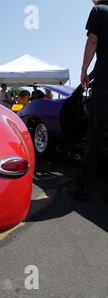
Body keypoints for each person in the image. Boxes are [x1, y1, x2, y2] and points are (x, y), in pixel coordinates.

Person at [71, 0, 108, 202]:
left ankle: (82, 188)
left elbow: (93, 41)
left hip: (104, 84)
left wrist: (84, 70)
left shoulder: (99, 11)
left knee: (96, 136)